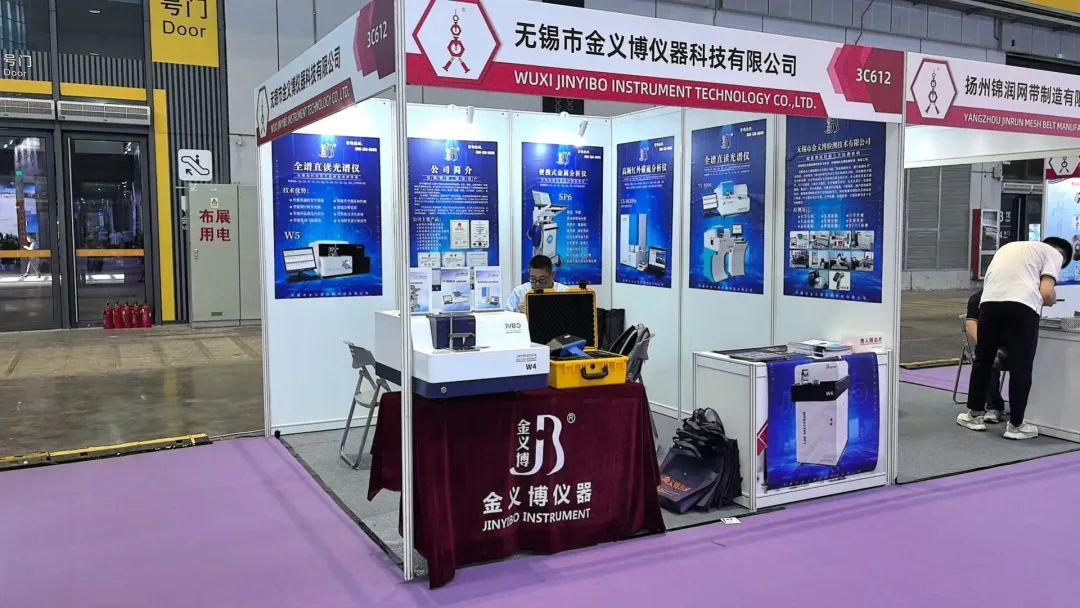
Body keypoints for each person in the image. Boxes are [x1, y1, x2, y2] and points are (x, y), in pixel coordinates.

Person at [957, 237, 1073, 440]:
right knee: (1021, 365)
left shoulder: (1011, 248)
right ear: (1062, 255)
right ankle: (1016, 425)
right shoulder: (1054, 254)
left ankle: (974, 415)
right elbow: (1046, 292)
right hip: (1022, 307)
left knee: (983, 359)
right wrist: (1052, 300)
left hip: (989, 304)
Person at [965, 289, 1007, 422]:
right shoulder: (977, 298)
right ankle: (994, 407)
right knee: (990, 360)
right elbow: (970, 324)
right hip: (992, 346)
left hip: (1013, 345)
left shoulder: (1013, 296)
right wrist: (986, 345)